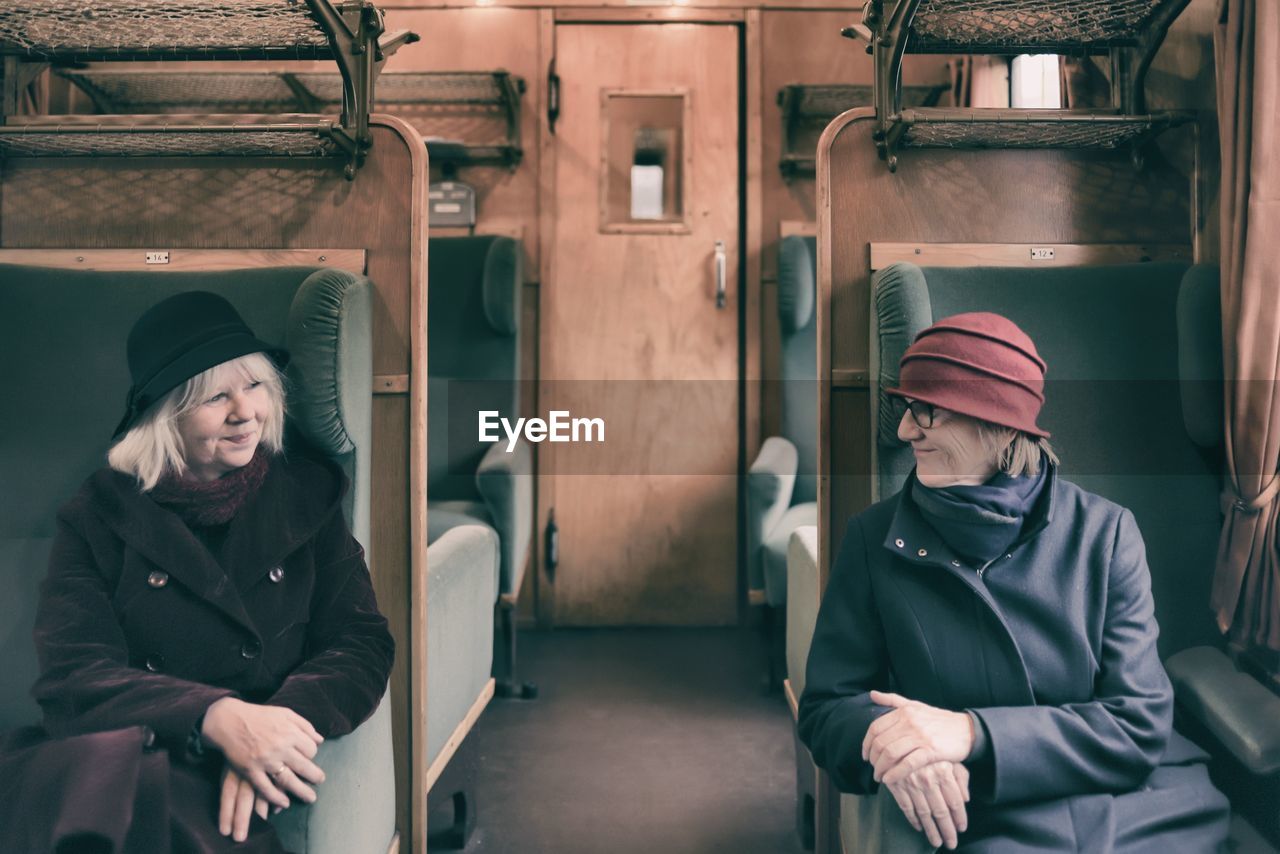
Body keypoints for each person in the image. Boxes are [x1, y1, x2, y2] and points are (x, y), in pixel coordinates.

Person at [798, 312, 1230, 852]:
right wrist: (894, 750)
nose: (906, 430)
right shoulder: (873, 538)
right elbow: (826, 709)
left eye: (926, 410)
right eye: (906, 409)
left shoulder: (1107, 533)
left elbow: (1138, 726)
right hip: (988, 813)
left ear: (995, 420)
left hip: (1143, 804)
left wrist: (970, 732)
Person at [0, 291, 394, 853]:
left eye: (255, 386)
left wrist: (275, 726)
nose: (246, 412)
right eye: (216, 397)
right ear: (165, 414)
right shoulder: (99, 513)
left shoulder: (306, 495)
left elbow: (361, 641)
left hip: (228, 764)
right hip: (125, 749)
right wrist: (213, 716)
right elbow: (73, 674)